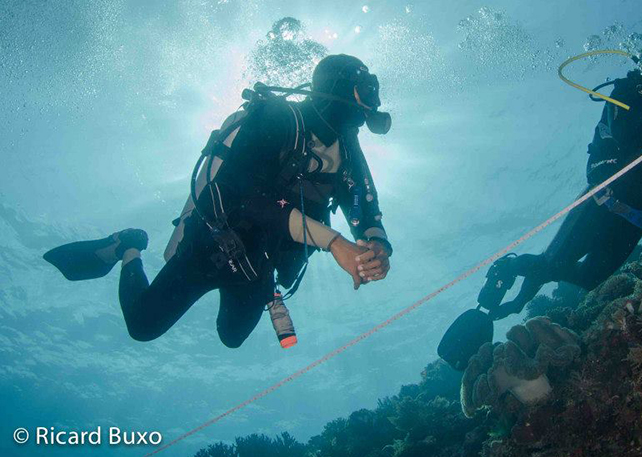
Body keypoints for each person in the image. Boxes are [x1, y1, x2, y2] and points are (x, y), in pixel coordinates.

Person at [44, 54, 393, 348]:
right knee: (143, 326)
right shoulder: (277, 117)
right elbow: (245, 198)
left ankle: (242, 293)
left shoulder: (347, 148)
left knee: (232, 336)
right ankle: (128, 247)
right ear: (336, 86)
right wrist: (333, 242)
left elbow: (364, 200)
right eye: (367, 91)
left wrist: (376, 245)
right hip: (212, 243)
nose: (373, 105)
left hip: (259, 265)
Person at [490, 16, 642, 320]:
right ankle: (512, 275)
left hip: (638, 218)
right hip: (602, 202)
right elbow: (630, 140)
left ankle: (525, 284)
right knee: (552, 265)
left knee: (590, 279)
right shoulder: (630, 92)